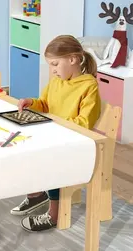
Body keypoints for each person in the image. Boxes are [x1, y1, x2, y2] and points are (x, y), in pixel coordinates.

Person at [10, 35, 101, 232]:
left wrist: (56, 125)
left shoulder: (89, 86)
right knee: (23, 146)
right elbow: (45, 104)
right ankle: (36, 195)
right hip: (55, 135)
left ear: (73, 59)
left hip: (76, 142)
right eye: (51, 65)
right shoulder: (56, 81)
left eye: (55, 64)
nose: (53, 70)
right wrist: (31, 103)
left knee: (50, 157)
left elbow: (84, 122)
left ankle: (54, 214)